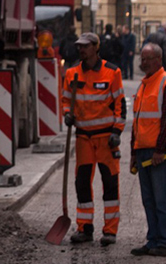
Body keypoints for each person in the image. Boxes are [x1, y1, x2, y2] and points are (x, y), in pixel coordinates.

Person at [61, 33, 126, 246]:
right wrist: (67, 114)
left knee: (109, 184)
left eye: (86, 46)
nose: (81, 50)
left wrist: (117, 131)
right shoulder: (72, 73)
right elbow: (65, 99)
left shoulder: (112, 72)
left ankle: (110, 231)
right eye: (79, 46)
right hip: (83, 138)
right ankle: (85, 228)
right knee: (82, 183)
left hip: (106, 138)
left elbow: (120, 104)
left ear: (96, 48)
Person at [129, 44, 166, 257]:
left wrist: (160, 150)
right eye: (142, 59)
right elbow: (138, 122)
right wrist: (134, 151)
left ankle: (164, 243)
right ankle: (153, 240)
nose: (143, 63)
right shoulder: (144, 85)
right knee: (149, 199)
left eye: (148, 59)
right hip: (143, 150)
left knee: (161, 199)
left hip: (159, 152)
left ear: (159, 59)